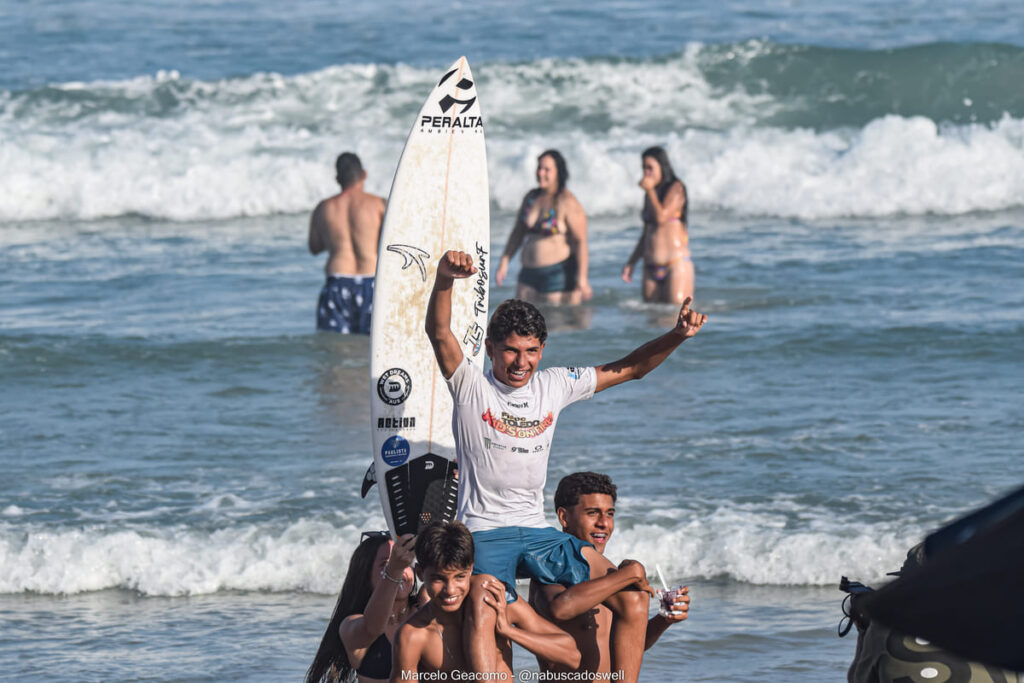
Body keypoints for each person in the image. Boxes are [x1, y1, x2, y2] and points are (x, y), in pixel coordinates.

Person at [424, 250, 707, 682]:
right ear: (490, 349)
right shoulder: (470, 385)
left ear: (543, 349)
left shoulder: (555, 384)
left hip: (536, 532)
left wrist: (676, 336)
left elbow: (630, 369)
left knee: (633, 593)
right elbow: (439, 331)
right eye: (511, 352)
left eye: (532, 352)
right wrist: (445, 279)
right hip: (484, 531)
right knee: (487, 606)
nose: (521, 364)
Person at [529, 472, 691, 678]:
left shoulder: (609, 575)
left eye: (610, 514)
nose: (604, 523)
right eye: (593, 513)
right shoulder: (551, 568)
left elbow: (628, 647)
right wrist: (630, 574)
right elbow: (560, 608)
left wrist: (664, 619)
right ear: (564, 517)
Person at [390, 520, 580, 682]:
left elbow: (572, 656)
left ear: (471, 569)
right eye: (439, 579)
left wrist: (508, 630)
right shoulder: (413, 636)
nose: (450, 590)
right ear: (420, 573)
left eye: (459, 577)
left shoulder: (493, 599)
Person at [305, 531, 417, 683]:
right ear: (365, 575)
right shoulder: (350, 626)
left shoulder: (426, 610)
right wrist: (394, 569)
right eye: (385, 564)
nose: (401, 569)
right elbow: (373, 627)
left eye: (404, 563)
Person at [495, 150, 592, 304]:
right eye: (539, 168)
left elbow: (580, 242)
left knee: (554, 324)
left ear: (558, 172)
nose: (541, 173)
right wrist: (504, 261)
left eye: (547, 169)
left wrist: (582, 279)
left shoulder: (566, 201)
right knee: (521, 322)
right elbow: (518, 232)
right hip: (527, 275)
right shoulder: (531, 197)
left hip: (557, 275)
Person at [309, 152, 386, 333]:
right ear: (364, 174)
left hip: (337, 283)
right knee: (372, 347)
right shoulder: (379, 204)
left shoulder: (324, 208)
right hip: (371, 281)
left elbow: (314, 247)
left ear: (337, 178)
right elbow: (390, 246)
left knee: (337, 351)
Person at [621, 146, 693, 304]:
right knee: (652, 320)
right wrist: (632, 262)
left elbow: (662, 217)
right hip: (650, 267)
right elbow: (646, 233)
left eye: (650, 168)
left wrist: (650, 190)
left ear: (662, 167)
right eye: (643, 168)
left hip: (675, 265)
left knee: (674, 316)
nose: (646, 173)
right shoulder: (650, 194)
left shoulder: (676, 188)